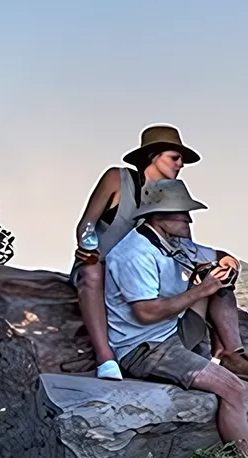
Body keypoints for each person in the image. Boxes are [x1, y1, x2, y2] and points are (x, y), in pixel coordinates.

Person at [103, 178, 248, 458]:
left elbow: (220, 255)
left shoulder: (173, 242)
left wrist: (227, 266)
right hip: (145, 347)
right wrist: (200, 290)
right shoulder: (133, 253)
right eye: (182, 215)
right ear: (158, 215)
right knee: (231, 389)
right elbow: (144, 313)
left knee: (220, 285)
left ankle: (230, 353)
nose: (188, 221)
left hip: (173, 331)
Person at [73, 125, 198, 380]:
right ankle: (105, 358)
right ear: (153, 155)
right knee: (92, 274)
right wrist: (88, 248)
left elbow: (185, 245)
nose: (181, 164)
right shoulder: (118, 179)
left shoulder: (172, 197)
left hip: (142, 274)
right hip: (101, 263)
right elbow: (87, 223)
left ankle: (214, 350)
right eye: (175, 157)